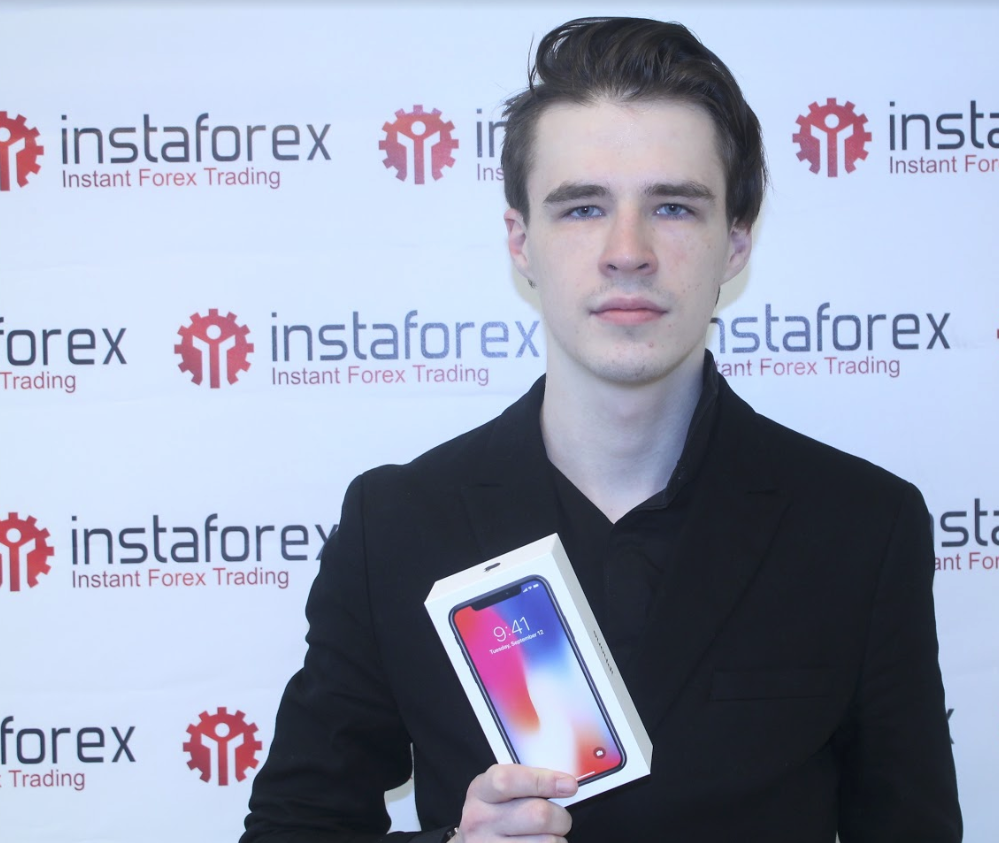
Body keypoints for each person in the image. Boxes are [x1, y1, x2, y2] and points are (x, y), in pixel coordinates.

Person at [242, 16, 961, 843]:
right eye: (583, 208)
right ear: (521, 242)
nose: (628, 251)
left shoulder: (861, 526)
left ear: (735, 243)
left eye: (673, 207)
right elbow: (291, 828)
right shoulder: (397, 526)